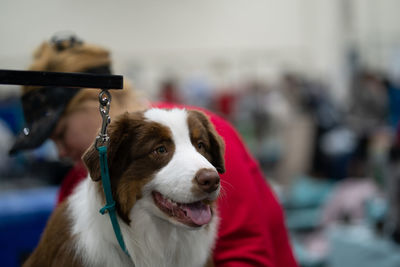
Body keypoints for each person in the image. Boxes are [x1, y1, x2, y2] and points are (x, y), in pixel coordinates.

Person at [10, 34, 298, 267]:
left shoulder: (199, 137)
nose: (59, 151)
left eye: (60, 133)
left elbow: (248, 257)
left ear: (94, 102)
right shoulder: (79, 186)